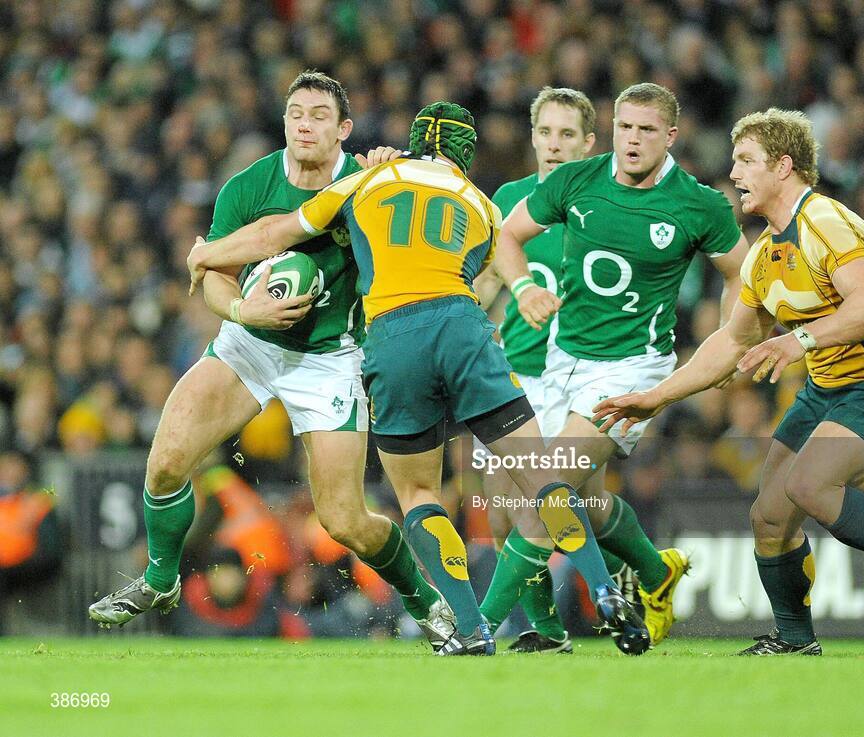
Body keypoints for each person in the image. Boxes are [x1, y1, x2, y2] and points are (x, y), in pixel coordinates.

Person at [185, 102, 650, 656]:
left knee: (420, 494)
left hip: (392, 335)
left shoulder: (367, 178)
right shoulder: (481, 206)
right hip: (462, 327)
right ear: (465, 154)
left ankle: (471, 629)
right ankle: (604, 588)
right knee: (542, 476)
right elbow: (471, 274)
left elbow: (273, 234)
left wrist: (206, 254)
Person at [89, 72, 455, 651]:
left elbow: (432, 202)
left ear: (344, 130)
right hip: (251, 343)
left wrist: (392, 164)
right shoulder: (248, 186)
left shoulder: (369, 184)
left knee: (344, 521)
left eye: (317, 115)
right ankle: (160, 580)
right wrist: (241, 309)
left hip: (331, 357)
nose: (304, 124)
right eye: (295, 114)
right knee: (165, 464)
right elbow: (211, 277)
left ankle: (424, 601)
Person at [593, 108, 864, 656]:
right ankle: (795, 640)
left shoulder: (826, 222)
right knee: (769, 515)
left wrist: (799, 341)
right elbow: (730, 342)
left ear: (783, 166)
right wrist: (656, 397)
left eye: (746, 161)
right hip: (825, 393)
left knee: (810, 486)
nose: (734, 172)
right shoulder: (764, 254)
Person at [490, 82, 750, 646]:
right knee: (583, 498)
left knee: (548, 486)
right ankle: (656, 574)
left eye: (646, 130)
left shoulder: (698, 204)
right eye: (625, 127)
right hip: (563, 358)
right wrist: (524, 284)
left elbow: (742, 274)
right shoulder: (576, 181)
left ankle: (476, 627)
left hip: (633, 370)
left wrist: (733, 339)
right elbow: (507, 237)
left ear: (671, 136)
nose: (632, 140)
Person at [472, 86, 634, 654]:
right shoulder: (511, 200)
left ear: (590, 143)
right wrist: (465, 322)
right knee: (503, 515)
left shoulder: (608, 202)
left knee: (563, 503)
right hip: (514, 373)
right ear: (533, 136)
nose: (554, 145)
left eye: (568, 134)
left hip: (579, 375)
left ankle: (626, 582)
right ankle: (553, 627)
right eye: (545, 132)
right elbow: (488, 280)